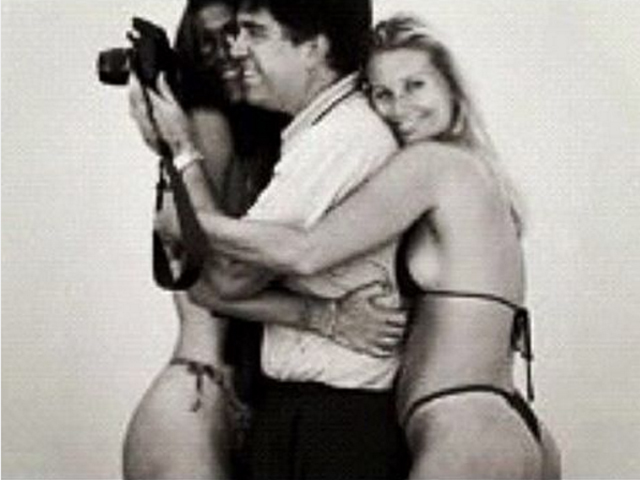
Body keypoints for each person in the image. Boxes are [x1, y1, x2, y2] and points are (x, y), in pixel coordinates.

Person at [156, 14, 562, 479]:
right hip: (503, 421)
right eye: (382, 93)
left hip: (462, 429)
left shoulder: (430, 165)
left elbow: (304, 250)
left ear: (452, 87)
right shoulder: (475, 171)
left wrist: (193, 219)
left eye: (415, 85)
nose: (398, 108)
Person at [124, 0, 406, 479]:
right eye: (219, 40)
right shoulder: (304, 136)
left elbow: (224, 279)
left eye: (253, 32)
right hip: (284, 409)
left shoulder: (339, 138)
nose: (234, 51)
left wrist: (184, 152)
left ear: (314, 48)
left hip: (331, 420)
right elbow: (208, 284)